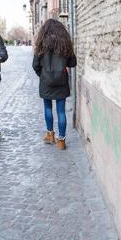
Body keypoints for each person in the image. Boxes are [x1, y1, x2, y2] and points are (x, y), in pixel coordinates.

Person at [32, 19, 77, 150]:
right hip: (62, 81)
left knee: (47, 108)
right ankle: (61, 141)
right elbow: (73, 63)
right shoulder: (64, 44)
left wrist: (43, 75)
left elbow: (35, 65)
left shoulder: (41, 44)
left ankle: (50, 135)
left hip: (46, 82)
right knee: (61, 111)